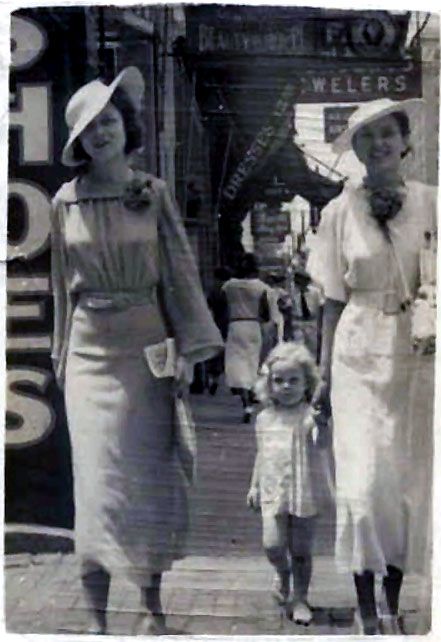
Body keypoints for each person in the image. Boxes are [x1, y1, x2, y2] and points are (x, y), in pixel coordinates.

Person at [50, 67, 223, 635]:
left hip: (147, 349)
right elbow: (59, 288)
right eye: (90, 127)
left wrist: (186, 353)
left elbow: (177, 274)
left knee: (147, 479)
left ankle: (151, 610)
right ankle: (98, 622)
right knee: (95, 486)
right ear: (78, 141)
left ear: (127, 126)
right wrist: (59, 355)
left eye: (110, 121)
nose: (102, 133)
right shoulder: (65, 201)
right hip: (88, 356)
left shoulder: (153, 193)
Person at [310, 98, 437, 635]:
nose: (379, 144)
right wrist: (322, 372)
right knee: (361, 485)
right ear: (356, 150)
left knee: (405, 484)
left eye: (388, 133)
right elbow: (333, 298)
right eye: (367, 136)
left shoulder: (433, 204)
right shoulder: (339, 211)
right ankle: (366, 610)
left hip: (417, 351)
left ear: (404, 142)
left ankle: (391, 602)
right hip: (357, 349)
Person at [246, 342, 326, 625]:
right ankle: (282, 572)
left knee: (302, 550)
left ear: (307, 383)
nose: (286, 386)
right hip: (272, 489)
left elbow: (323, 445)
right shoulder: (265, 418)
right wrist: (254, 485)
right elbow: (261, 454)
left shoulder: (309, 417)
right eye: (279, 381)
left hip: (304, 489)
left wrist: (323, 424)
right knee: (272, 544)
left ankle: (301, 597)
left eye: (294, 380)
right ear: (268, 384)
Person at [222, 253, 270, 423]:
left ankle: (246, 403)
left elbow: (223, 306)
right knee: (252, 363)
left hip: (235, 325)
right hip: (253, 326)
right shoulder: (260, 287)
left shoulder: (229, 286)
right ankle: (251, 393)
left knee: (237, 364)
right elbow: (265, 313)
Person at [205, 266, 232, 395]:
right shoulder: (231, 290)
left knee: (215, 354)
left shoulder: (213, 290)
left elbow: (208, 306)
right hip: (231, 323)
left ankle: (213, 379)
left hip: (215, 323)